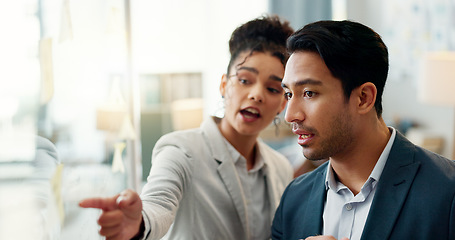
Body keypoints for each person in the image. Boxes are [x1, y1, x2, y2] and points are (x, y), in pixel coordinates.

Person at [80, 15, 294, 240]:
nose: (256, 94)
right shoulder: (181, 150)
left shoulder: (281, 168)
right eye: (244, 80)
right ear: (224, 85)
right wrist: (140, 223)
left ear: (283, 103)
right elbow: (158, 204)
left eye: (272, 88)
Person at [271, 20, 455, 240]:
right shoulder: (294, 198)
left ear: (363, 98)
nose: (290, 115)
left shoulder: (447, 192)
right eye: (289, 94)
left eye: (309, 93)